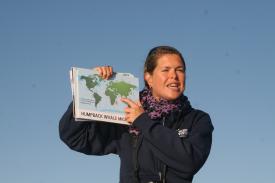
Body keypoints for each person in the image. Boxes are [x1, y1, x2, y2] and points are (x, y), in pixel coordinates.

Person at [59, 46, 214, 183]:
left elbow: (189, 162)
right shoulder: (125, 116)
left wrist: (142, 121)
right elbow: (75, 138)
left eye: (179, 70)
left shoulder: (197, 120)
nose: (174, 75)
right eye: (166, 70)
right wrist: (87, 91)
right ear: (149, 78)